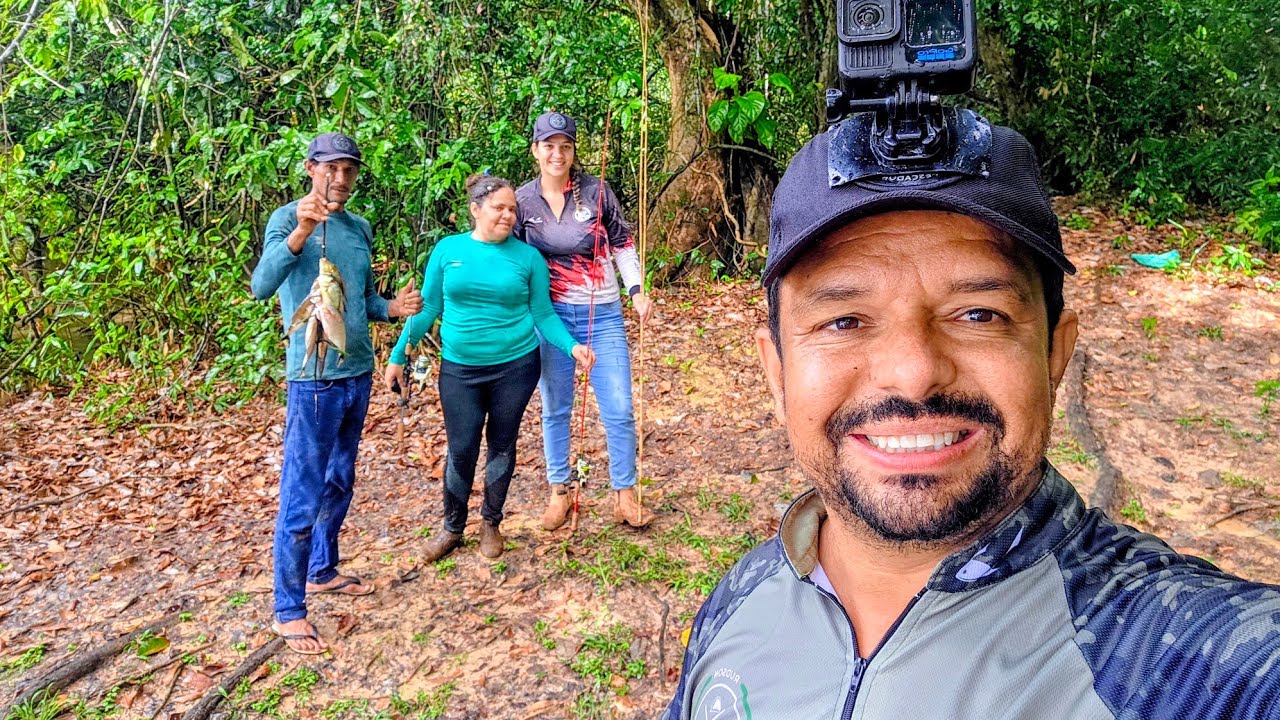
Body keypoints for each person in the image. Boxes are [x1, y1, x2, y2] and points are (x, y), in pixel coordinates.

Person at [664, 124, 1280, 717]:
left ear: (1054, 356)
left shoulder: (1187, 658)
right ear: (777, 374)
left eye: (978, 314)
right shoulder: (741, 599)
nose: (913, 374)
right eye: (844, 320)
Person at [251, 132, 423, 656]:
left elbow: (362, 298)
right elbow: (262, 285)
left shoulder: (359, 228)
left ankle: (322, 569)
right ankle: (288, 608)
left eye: (349, 170)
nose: (341, 179)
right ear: (310, 168)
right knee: (302, 490)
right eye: (331, 169)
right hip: (313, 378)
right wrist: (302, 231)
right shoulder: (286, 220)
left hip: (356, 371)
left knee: (339, 480)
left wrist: (391, 309)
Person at [385, 173, 595, 564]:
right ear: (475, 209)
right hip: (461, 368)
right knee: (461, 448)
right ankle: (452, 527)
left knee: (502, 443)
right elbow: (429, 307)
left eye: (512, 209)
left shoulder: (528, 257)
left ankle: (491, 523)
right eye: (499, 207)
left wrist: (573, 347)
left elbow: (542, 313)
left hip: (515, 366)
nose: (507, 215)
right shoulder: (448, 251)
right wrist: (400, 354)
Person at [514, 111, 656, 531]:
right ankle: (559, 491)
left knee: (618, 406)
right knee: (556, 407)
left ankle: (625, 494)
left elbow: (623, 245)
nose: (557, 154)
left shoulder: (596, 192)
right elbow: (516, 259)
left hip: (603, 312)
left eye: (566, 146)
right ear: (535, 150)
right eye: (549, 146)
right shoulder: (522, 201)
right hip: (549, 316)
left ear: (574, 151)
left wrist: (637, 291)